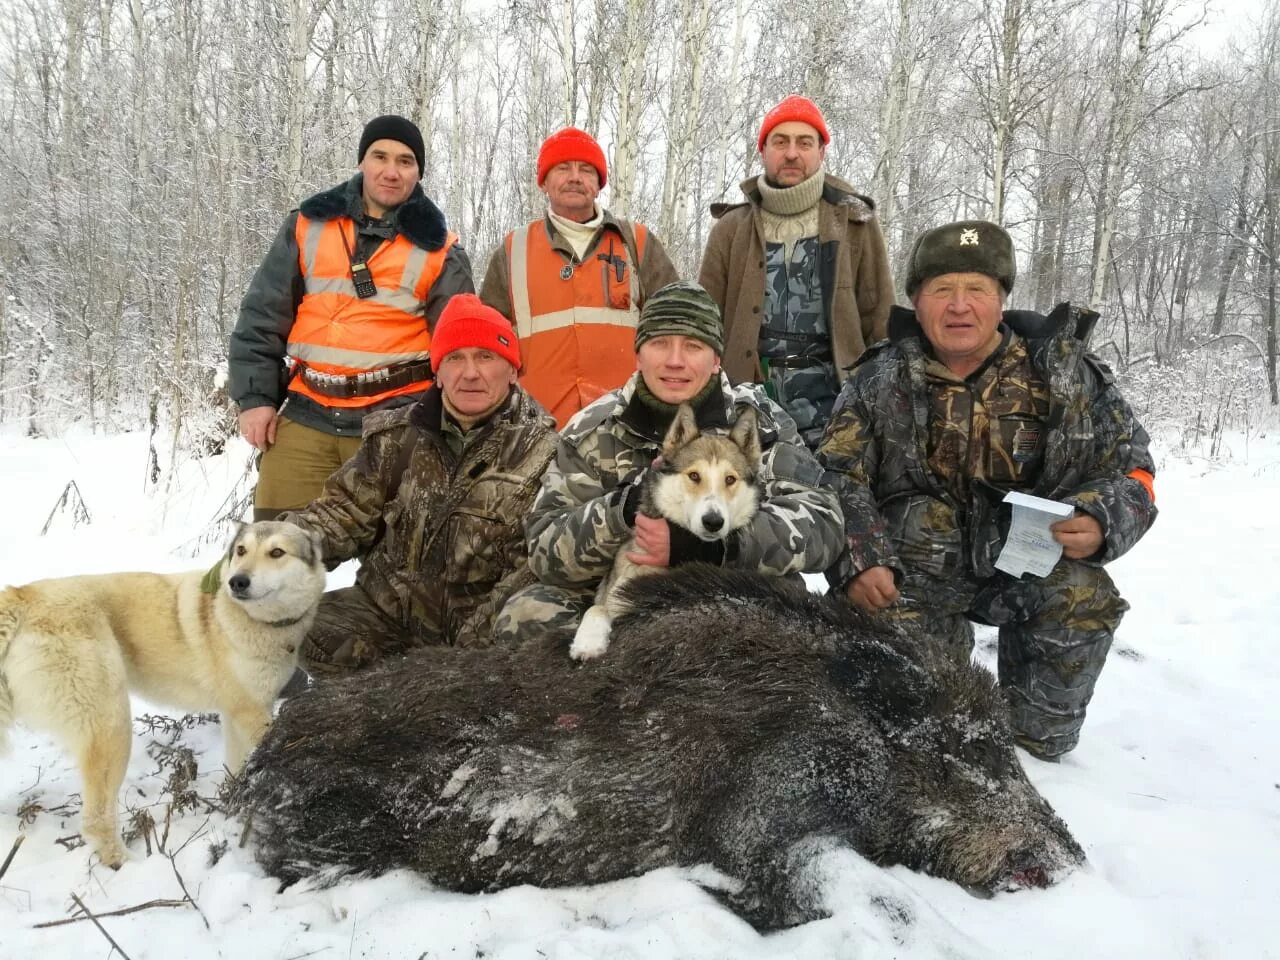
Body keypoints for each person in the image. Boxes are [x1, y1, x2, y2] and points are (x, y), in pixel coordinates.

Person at [817, 220, 1158, 761]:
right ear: (916, 301)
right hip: (913, 573)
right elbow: (837, 476)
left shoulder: (1066, 377)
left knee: (1082, 603)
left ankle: (1033, 742)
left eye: (976, 289)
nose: (959, 306)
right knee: (913, 736)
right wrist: (860, 559)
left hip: (1033, 567)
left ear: (1001, 299)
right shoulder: (878, 380)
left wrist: (1100, 519)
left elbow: (1134, 471)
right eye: (941, 289)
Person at [494, 280, 844, 646]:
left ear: (716, 359)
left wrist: (707, 547)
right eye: (660, 343)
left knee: (796, 623)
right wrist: (624, 511)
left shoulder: (757, 421)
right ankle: (576, 698)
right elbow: (545, 552)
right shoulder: (593, 429)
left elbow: (824, 524)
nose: (675, 360)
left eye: (693, 346)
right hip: (619, 592)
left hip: (736, 587)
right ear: (638, 354)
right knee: (528, 614)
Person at [280, 294, 557, 674]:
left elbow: (530, 573)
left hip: (477, 646)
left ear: (512, 370)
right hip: (388, 621)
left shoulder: (547, 454)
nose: (470, 372)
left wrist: (455, 661)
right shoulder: (396, 437)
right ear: (437, 372)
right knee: (299, 627)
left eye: (486, 357)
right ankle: (362, 717)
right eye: (455, 358)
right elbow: (342, 513)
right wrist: (271, 549)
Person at [229, 115, 474, 521]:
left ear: (418, 172)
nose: (391, 171)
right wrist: (255, 399)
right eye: (380, 156)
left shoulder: (441, 249)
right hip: (307, 413)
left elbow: (460, 347)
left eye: (406, 161)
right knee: (272, 557)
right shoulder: (307, 225)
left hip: (398, 421)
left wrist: (452, 425)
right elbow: (261, 316)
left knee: (402, 567)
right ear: (362, 161)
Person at [698, 95, 895, 449]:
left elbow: (879, 318)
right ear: (763, 151)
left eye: (805, 143)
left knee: (832, 497)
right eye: (780, 141)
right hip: (749, 402)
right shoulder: (731, 227)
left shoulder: (855, 222)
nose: (792, 153)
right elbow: (704, 323)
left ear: (821, 152)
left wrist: (881, 402)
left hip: (837, 403)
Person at [480, 127, 679, 427]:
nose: (575, 177)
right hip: (537, 429)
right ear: (544, 182)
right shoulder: (512, 251)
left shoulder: (637, 244)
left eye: (586, 170)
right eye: (562, 168)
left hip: (627, 426)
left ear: (598, 185)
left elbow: (676, 327)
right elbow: (487, 345)